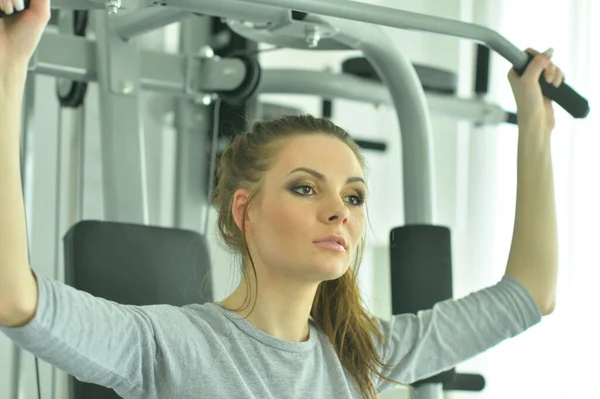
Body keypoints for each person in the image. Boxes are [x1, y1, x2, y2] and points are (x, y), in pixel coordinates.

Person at [0, 1, 563, 398]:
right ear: (245, 211)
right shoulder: (170, 344)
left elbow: (530, 296)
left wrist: (534, 125)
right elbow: (12, 296)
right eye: (304, 187)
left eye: (355, 196)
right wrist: (9, 69)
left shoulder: (362, 356)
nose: (340, 210)